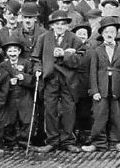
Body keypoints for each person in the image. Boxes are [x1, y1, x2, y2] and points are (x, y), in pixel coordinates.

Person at [31, 10, 84, 153]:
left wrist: (65, 54)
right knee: (50, 110)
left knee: (69, 110)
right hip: (50, 79)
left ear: (67, 25)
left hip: (69, 79)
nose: (60, 26)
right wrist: (38, 69)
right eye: (56, 24)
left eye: (63, 24)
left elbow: (80, 60)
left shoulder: (75, 39)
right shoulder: (43, 38)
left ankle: (68, 141)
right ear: (52, 25)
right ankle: (52, 141)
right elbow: (36, 58)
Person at [82, 17, 120, 153]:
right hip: (101, 89)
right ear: (102, 34)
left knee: (117, 116)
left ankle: (118, 142)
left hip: (116, 88)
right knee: (100, 116)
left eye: (112, 32)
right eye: (107, 32)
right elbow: (92, 72)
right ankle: (98, 143)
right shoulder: (97, 50)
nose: (110, 34)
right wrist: (95, 90)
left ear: (116, 34)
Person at [0, 38, 34, 150]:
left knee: (26, 119)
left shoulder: (27, 63)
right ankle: (11, 142)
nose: (12, 53)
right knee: (10, 120)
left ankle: (24, 141)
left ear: (19, 51)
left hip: (25, 96)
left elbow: (33, 81)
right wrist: (9, 83)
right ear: (6, 53)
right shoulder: (3, 65)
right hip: (10, 97)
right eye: (10, 51)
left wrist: (23, 78)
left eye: (15, 51)